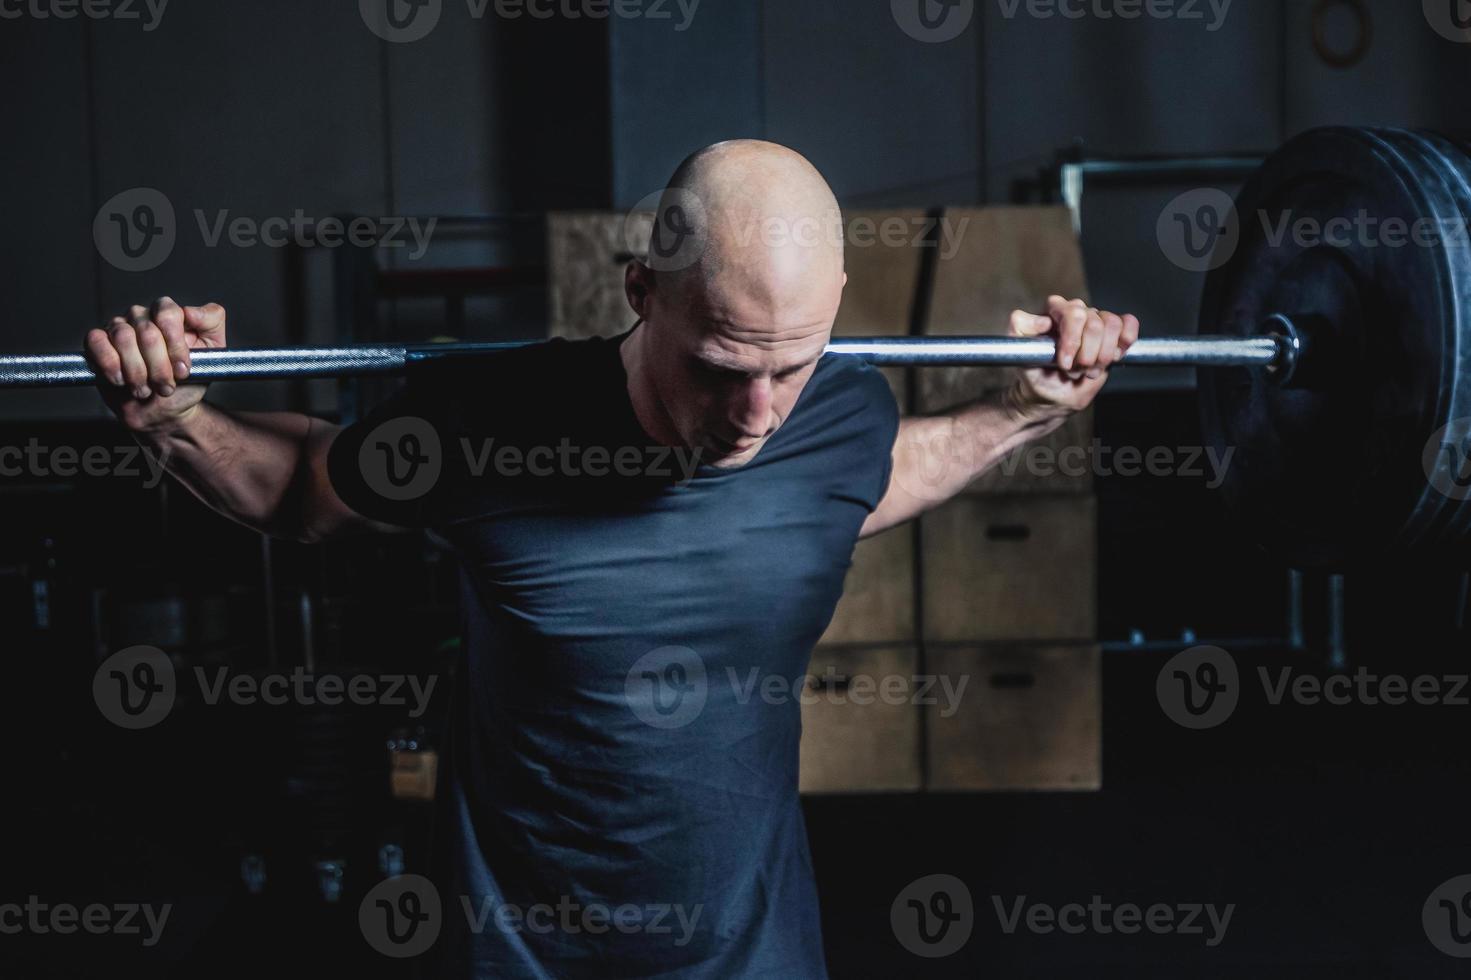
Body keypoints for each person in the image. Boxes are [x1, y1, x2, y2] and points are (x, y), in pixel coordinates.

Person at [84, 139, 1137, 978]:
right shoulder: (485, 423)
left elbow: (874, 480)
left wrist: (1023, 407)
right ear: (640, 289)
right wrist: (176, 415)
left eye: (792, 366)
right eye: (721, 367)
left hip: (753, 950)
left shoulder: (841, 421)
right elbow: (300, 489)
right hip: (523, 950)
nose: (755, 415)